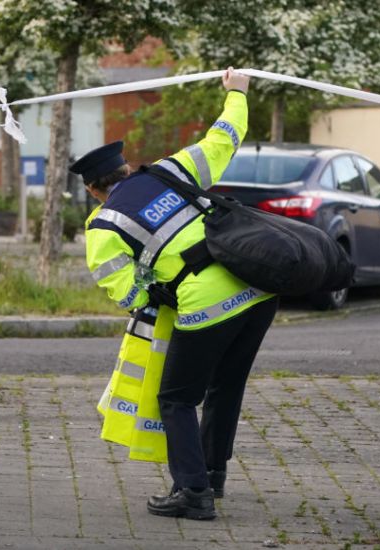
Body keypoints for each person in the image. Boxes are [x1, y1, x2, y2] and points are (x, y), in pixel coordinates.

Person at [71, 68, 278, 520]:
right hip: (257, 289)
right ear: (127, 167)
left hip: (208, 305)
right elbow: (226, 136)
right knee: (225, 384)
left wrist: (159, 287)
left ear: (92, 190)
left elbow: (128, 294)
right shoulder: (173, 169)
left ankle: (193, 493)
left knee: (178, 398)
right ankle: (212, 477)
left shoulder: (103, 226)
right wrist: (237, 92)